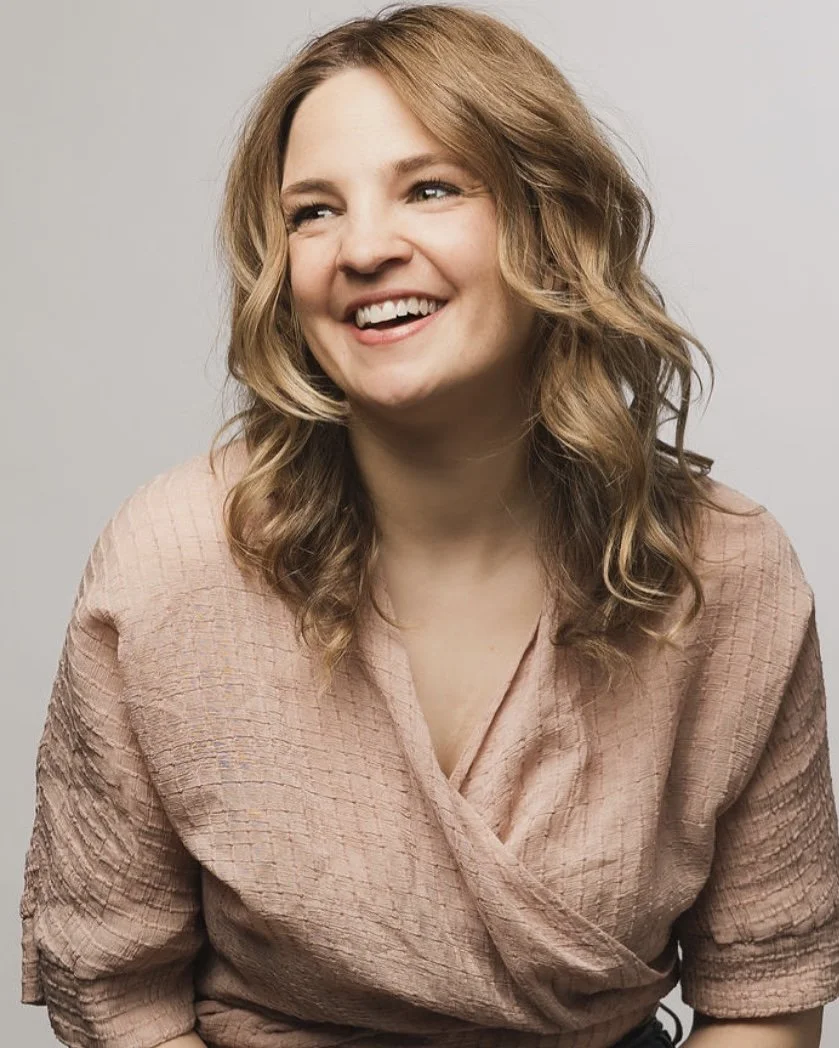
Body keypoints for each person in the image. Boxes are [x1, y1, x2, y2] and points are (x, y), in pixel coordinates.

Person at [19, 4, 838, 1048]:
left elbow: (764, 994)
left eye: (430, 188)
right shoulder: (169, 563)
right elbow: (117, 994)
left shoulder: (725, 570)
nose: (362, 248)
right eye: (313, 212)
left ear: (552, 222)